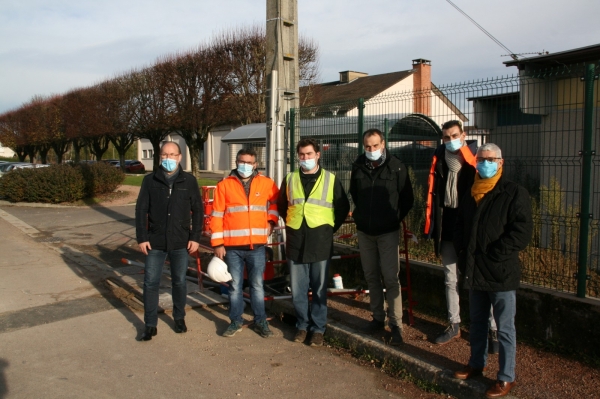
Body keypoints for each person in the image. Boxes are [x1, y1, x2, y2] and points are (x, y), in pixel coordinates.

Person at [452, 143, 532, 398]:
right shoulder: (471, 192)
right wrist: (463, 253)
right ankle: (477, 363)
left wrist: (497, 254)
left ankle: (506, 377)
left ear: (500, 162)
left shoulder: (513, 193)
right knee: (476, 322)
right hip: (475, 271)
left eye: (490, 159)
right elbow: (462, 226)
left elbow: (521, 232)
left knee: (505, 328)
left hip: (500, 272)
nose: (485, 163)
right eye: (481, 159)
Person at [424, 120, 498, 350]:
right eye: (446, 137)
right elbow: (433, 194)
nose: (450, 140)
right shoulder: (438, 159)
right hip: (447, 224)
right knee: (450, 277)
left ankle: (492, 329)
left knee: (479, 278)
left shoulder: (476, 159)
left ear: (463, 134)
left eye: (454, 135)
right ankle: (453, 324)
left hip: (470, 227)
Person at [277, 138, 350, 346]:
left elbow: (342, 207)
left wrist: (328, 229)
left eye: (309, 154)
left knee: (319, 288)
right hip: (296, 241)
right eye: (302, 155)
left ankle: (318, 329)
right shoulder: (290, 178)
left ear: (318, 155)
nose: (305, 158)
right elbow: (282, 205)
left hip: (320, 241)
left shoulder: (330, 179)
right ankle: (302, 326)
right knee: (298, 289)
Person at [349, 128, 414, 345]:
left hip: (388, 232)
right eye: (368, 146)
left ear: (383, 144)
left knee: (390, 277)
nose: (371, 150)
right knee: (371, 276)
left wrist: (393, 218)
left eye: (375, 145)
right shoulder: (358, 166)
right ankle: (378, 318)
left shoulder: (396, 167)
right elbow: (355, 194)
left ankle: (396, 324)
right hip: (365, 232)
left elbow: (407, 198)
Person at [135, 142, 203, 341]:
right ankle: (150, 324)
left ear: (180, 157)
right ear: (160, 157)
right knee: (150, 283)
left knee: (180, 282)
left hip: (181, 241)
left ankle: (179, 318)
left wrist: (195, 237)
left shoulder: (189, 181)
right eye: (165, 154)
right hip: (155, 241)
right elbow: (141, 211)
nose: (168, 158)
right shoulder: (150, 181)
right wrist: (142, 237)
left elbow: (198, 211)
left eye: (172, 154)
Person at [210, 148, 279, 338]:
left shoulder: (266, 183)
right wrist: (217, 244)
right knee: (235, 287)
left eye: (249, 162)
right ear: (236, 162)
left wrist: (271, 221)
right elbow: (216, 216)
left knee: (257, 286)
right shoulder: (224, 185)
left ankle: (260, 321)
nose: (245, 165)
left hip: (256, 246)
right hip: (232, 248)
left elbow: (276, 202)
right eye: (242, 161)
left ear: (255, 164)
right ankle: (235, 321)